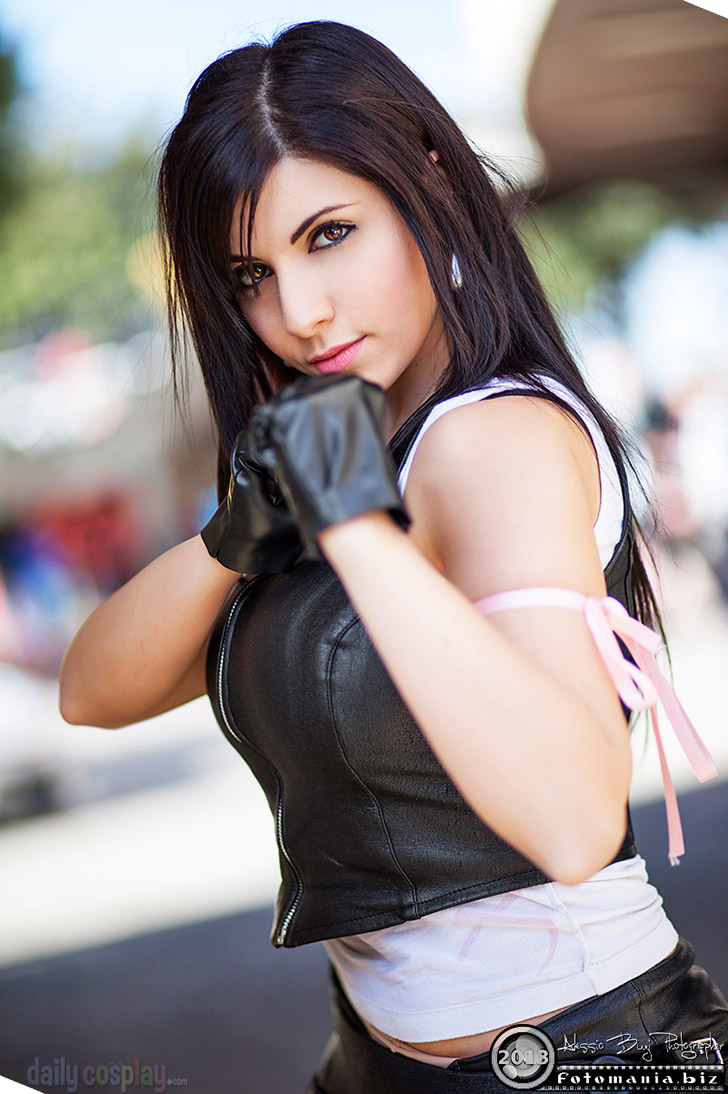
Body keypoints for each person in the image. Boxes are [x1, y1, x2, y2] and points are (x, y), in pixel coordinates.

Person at [59, 20, 728, 1093]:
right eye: (248, 274)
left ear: (423, 179)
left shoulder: (490, 438)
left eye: (329, 234)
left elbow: (570, 823)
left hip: (578, 1054)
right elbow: (92, 691)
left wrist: (350, 524)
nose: (296, 313)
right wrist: (245, 523)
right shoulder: (352, 444)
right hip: (370, 1058)